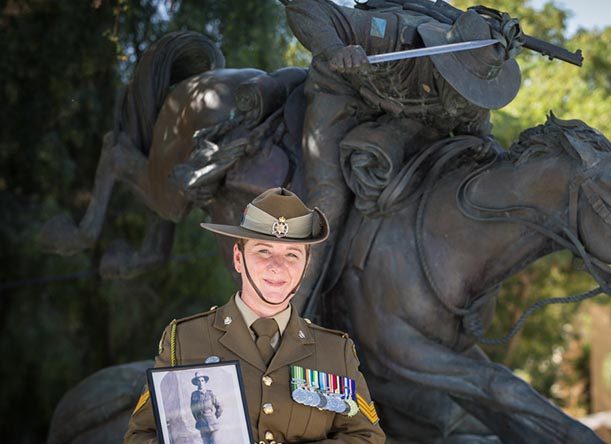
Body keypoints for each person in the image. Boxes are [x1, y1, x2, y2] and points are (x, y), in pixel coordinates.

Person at [281, 0, 524, 311]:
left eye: (473, 90)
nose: (466, 98)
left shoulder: (473, 99)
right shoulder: (391, 35)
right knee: (329, 200)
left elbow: (480, 142)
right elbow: (305, 7)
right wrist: (334, 50)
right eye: (461, 86)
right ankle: (290, 311)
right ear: (443, 64)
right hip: (345, 95)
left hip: (401, 120)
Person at [124, 187, 385, 444]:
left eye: (292, 255)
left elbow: (366, 437)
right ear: (238, 258)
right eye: (263, 251)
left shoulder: (335, 352)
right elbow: (140, 435)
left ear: (306, 266)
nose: (277, 266)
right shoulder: (184, 340)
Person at [190, 372, 222, 444]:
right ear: (196, 383)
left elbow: (219, 407)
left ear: (205, 382)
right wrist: (199, 419)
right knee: (206, 442)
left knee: (215, 442)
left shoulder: (210, 393)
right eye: (199, 381)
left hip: (213, 423)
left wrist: (214, 417)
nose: (201, 383)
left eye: (202, 380)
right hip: (202, 424)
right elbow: (193, 410)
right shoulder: (194, 394)